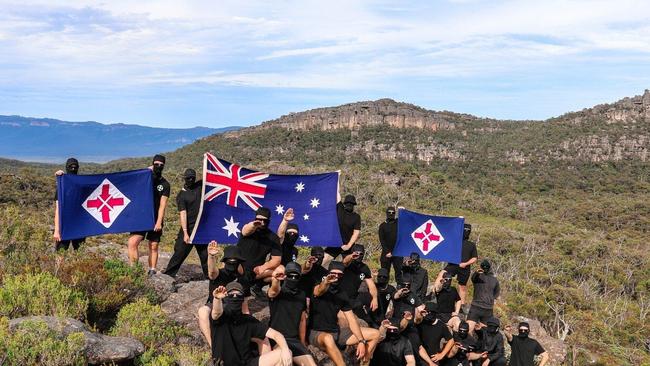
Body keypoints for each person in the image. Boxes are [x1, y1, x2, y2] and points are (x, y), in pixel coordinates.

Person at [308, 261, 379, 366]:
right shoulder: (318, 287)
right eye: (333, 274)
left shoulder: (342, 294)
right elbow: (318, 291)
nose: (336, 276)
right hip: (317, 333)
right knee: (328, 338)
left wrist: (361, 341)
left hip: (336, 332)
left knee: (375, 334)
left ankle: (363, 363)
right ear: (328, 274)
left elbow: (351, 320)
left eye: (339, 274)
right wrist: (326, 282)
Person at [210, 281, 293, 366]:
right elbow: (216, 312)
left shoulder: (249, 320)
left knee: (285, 353)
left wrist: (285, 349)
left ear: (242, 299)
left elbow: (276, 335)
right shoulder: (221, 317)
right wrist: (217, 298)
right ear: (225, 297)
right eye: (231, 294)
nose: (235, 296)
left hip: (247, 363)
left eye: (238, 294)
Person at [197, 242, 248, 347]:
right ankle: (212, 344)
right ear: (225, 262)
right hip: (216, 306)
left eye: (235, 261)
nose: (232, 264)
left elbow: (245, 304)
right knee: (202, 311)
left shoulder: (243, 279)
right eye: (230, 261)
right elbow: (212, 272)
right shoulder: (220, 273)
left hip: (234, 308)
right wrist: (211, 256)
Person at [127, 154, 170, 275]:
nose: (159, 166)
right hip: (141, 216)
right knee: (132, 242)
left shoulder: (165, 184)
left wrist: (158, 222)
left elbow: (162, 205)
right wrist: (147, 170)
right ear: (152, 164)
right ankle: (133, 270)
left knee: (153, 245)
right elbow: (132, 181)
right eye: (156, 164)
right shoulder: (145, 178)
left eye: (161, 165)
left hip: (155, 218)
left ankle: (152, 270)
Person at [267, 262, 317, 366]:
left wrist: (302, 343)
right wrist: (276, 280)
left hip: (294, 339)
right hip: (277, 339)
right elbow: (273, 291)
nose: (293, 278)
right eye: (290, 275)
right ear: (285, 276)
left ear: (300, 277)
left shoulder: (302, 294)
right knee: (284, 361)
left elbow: (302, 319)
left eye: (296, 276)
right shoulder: (279, 292)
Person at [163, 168, 208, 278]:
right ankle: (168, 276)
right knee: (179, 253)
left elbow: (210, 177)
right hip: (188, 229)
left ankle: (210, 278)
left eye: (193, 178)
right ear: (184, 178)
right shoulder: (181, 195)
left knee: (205, 256)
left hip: (200, 229)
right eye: (188, 178)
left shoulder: (199, 186)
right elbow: (183, 214)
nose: (191, 180)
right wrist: (185, 233)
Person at [238, 207, 282, 298]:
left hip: (257, 271)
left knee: (281, 270)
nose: (261, 222)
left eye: (264, 220)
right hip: (239, 269)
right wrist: (254, 225)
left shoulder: (273, 237)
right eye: (258, 219)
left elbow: (276, 259)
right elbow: (246, 230)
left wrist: (264, 266)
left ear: (268, 221)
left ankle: (257, 287)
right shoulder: (249, 230)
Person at [439, 223, 477, 308]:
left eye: (468, 231)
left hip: (464, 267)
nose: (466, 232)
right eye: (464, 230)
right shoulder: (454, 242)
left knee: (462, 286)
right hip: (453, 264)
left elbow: (474, 258)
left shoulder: (471, 245)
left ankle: (461, 306)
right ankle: (436, 293)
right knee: (442, 275)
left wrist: (466, 264)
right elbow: (446, 250)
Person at [53, 158, 85, 251]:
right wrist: (56, 230)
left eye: (75, 167)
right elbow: (58, 209)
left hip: (80, 226)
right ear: (67, 167)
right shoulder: (62, 186)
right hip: (64, 226)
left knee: (80, 254)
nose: (73, 169)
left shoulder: (82, 185)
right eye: (71, 167)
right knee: (60, 254)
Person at [340, 244, 379, 322]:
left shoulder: (364, 268)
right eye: (356, 253)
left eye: (361, 254)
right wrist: (351, 256)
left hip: (353, 297)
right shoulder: (348, 264)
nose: (359, 255)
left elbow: (371, 285)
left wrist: (375, 298)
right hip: (340, 296)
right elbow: (345, 261)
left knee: (363, 315)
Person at [323, 194, 361, 267]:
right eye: (347, 203)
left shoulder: (356, 217)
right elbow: (337, 194)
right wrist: (335, 182)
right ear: (344, 203)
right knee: (323, 260)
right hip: (336, 243)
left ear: (354, 205)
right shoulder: (340, 209)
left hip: (348, 245)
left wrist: (348, 245)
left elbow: (356, 232)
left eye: (351, 204)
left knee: (349, 266)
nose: (349, 205)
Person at [467, 260, 500, 331]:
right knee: (468, 330)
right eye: (483, 267)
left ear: (489, 267)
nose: (485, 268)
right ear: (481, 267)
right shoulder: (478, 276)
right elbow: (473, 278)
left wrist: (490, 299)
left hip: (488, 310)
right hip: (476, 307)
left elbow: (496, 293)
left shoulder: (495, 280)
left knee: (485, 334)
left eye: (486, 267)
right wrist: (477, 272)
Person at [378, 206, 402, 284]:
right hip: (386, 253)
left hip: (398, 252)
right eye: (389, 213)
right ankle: (383, 287)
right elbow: (382, 240)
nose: (391, 214)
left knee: (399, 273)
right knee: (384, 273)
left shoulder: (398, 223)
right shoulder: (382, 226)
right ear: (386, 213)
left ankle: (399, 288)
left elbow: (405, 218)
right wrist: (387, 251)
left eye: (393, 213)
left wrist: (401, 210)